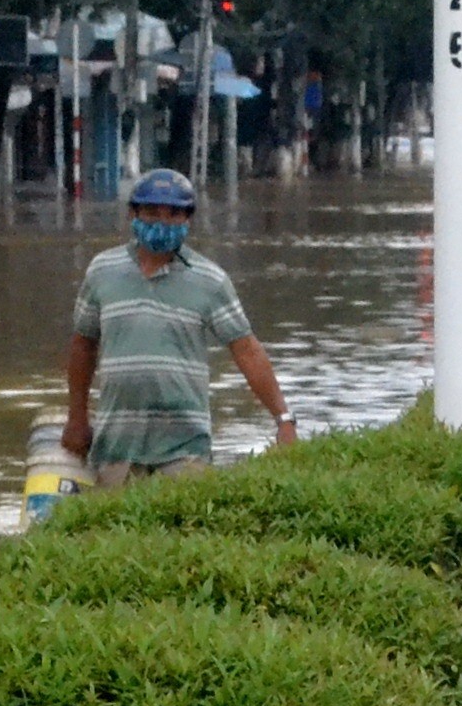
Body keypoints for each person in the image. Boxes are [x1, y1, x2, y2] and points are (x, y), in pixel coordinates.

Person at [63, 170, 294, 486]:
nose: (162, 222)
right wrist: (77, 418)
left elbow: (246, 350)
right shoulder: (103, 271)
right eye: (152, 212)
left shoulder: (210, 280)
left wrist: (283, 419)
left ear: (188, 220)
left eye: (173, 214)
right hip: (116, 446)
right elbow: (83, 346)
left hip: (185, 448)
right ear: (133, 213)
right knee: (115, 529)